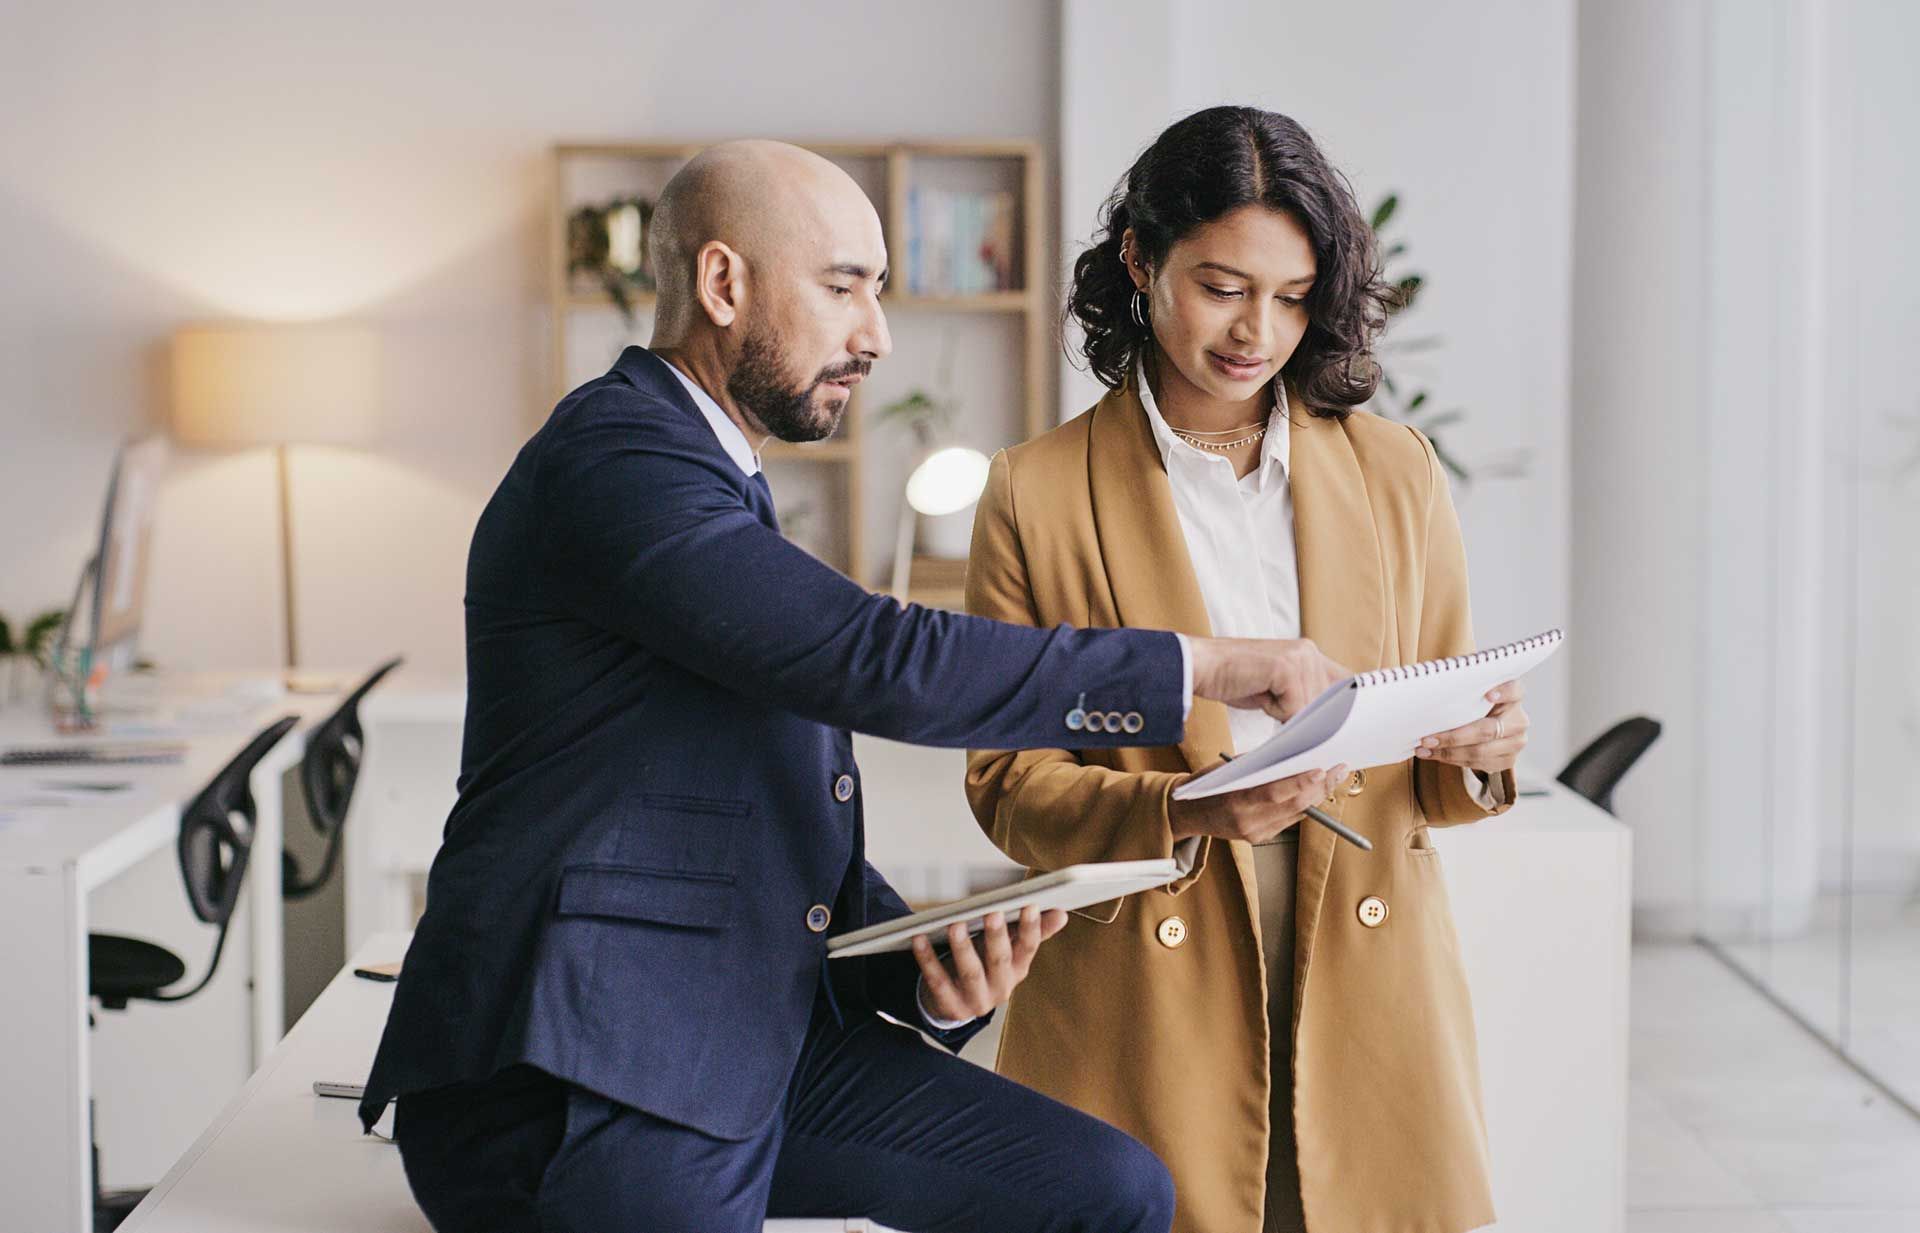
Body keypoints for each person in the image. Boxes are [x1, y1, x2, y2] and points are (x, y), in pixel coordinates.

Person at [357, 139, 1346, 1233]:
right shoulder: (617, 462)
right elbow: (871, 657)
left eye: (877, 292)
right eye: (842, 288)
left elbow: (745, 811)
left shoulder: (712, 478)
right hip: (580, 1067)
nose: (874, 336)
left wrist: (920, 971)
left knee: (1110, 1192)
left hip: (746, 1041)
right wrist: (1200, 664)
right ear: (723, 284)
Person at [964, 107, 1531, 1233]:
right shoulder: (1034, 491)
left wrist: (1483, 752)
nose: (1256, 331)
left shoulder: (1395, 471)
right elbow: (1008, 787)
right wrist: (1189, 807)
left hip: (1367, 961)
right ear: (1139, 258)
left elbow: (1441, 744)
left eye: (1291, 295)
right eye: (1222, 286)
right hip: (1149, 980)